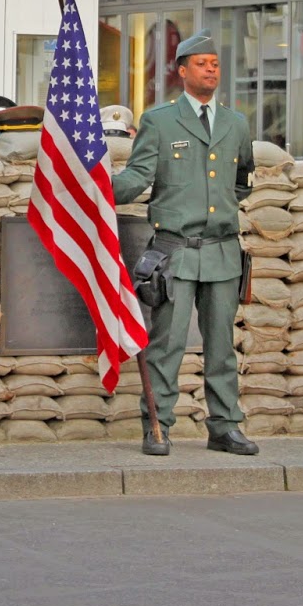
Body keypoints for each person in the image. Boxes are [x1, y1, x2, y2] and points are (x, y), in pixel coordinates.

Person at [112, 30, 257, 458]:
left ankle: (225, 427)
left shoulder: (236, 124)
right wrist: (101, 188)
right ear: (181, 70)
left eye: (215, 63)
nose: (211, 69)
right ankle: (157, 426)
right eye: (202, 63)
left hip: (222, 251)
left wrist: (221, 205)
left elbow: (241, 181)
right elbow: (139, 177)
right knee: (167, 346)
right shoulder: (159, 121)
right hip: (174, 252)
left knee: (221, 347)